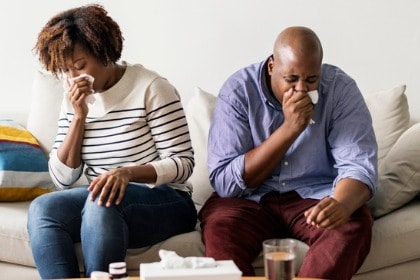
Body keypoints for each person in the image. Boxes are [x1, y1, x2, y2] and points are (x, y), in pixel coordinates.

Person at [27, 4, 197, 279]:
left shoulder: (151, 87)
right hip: (101, 196)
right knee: (43, 208)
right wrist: (79, 117)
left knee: (100, 199)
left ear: (105, 52)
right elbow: (62, 180)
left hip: (166, 201)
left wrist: (126, 173)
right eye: (64, 70)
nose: (72, 78)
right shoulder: (71, 98)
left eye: (80, 66)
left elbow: (183, 163)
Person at [199, 26, 377, 280]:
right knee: (220, 229)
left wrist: (342, 204)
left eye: (311, 80)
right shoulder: (238, 90)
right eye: (291, 80)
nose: (302, 90)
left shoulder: (340, 89)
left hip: (315, 196)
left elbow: (359, 165)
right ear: (272, 66)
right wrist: (290, 128)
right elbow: (226, 182)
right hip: (250, 200)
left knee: (353, 225)